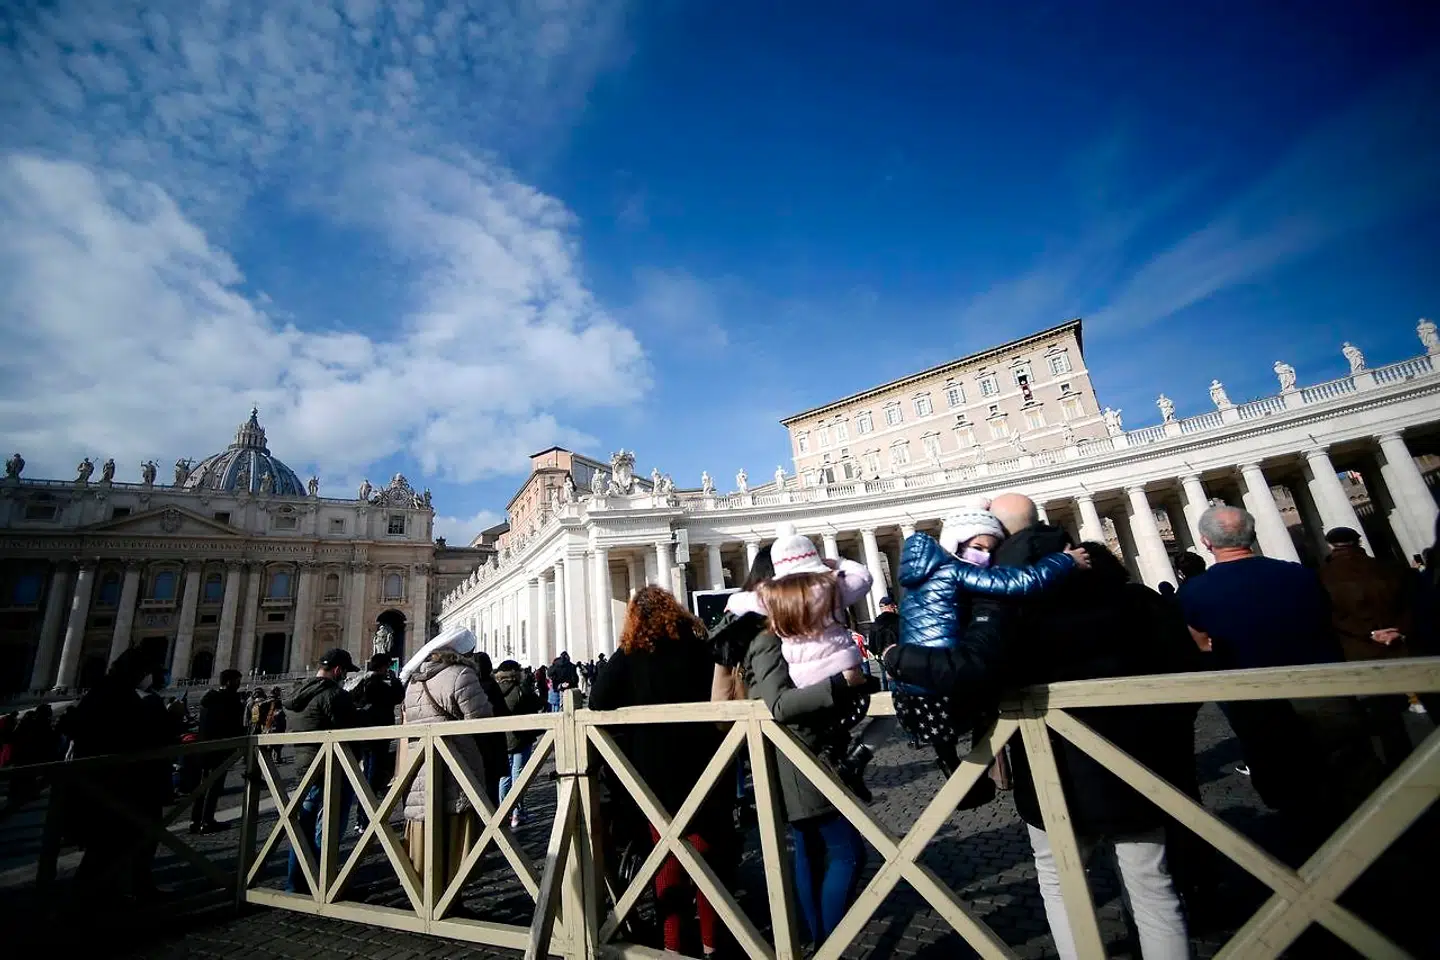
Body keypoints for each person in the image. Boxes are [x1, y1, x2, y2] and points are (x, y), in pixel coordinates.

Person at [1178, 505, 1380, 854]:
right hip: (1324, 690)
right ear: (1252, 535)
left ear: (1207, 542)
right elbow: (1324, 618)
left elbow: (1202, 644)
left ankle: (1319, 868)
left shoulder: (1194, 592)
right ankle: (1379, 853)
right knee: (1352, 780)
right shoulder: (1299, 575)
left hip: (1259, 704)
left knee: (1292, 796)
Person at [887, 497, 1086, 781]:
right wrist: (1065, 560)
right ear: (956, 544)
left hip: (911, 687)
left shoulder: (916, 581)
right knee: (987, 703)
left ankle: (957, 768)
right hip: (943, 683)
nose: (985, 557)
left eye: (991, 551)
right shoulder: (956, 571)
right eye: (979, 548)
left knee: (957, 735)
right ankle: (977, 776)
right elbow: (1021, 582)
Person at [589, 586, 735, 957]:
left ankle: (673, 947)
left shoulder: (631, 654)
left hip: (653, 770)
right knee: (706, 860)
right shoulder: (700, 647)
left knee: (665, 858)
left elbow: (597, 700)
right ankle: (712, 944)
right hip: (704, 761)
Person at [67, 648, 174, 905]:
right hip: (119, 783)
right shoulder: (117, 694)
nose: (151, 677)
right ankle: (93, 902)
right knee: (115, 843)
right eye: (148, 671)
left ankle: (107, 895)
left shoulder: (106, 691)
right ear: (137, 671)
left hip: (112, 782)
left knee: (112, 844)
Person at [400, 627, 493, 891]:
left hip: (419, 766)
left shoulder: (414, 682)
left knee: (425, 823)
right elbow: (481, 720)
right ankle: (450, 896)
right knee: (454, 831)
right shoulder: (461, 675)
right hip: (455, 765)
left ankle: (425, 894)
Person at [1318, 526, 1417, 770]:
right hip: (1399, 647)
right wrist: (1397, 630)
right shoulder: (1388, 568)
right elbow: (1413, 605)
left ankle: (1392, 771)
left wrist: (1369, 633)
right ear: (1358, 541)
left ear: (1330, 545)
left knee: (1378, 718)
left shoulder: (1323, 576)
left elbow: (1329, 617)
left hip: (1358, 651)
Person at [284, 648, 359, 893]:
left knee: (302, 828)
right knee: (329, 827)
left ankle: (295, 884)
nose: (345, 677)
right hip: (331, 767)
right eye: (345, 672)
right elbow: (351, 730)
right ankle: (324, 884)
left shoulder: (297, 696)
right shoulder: (334, 695)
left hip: (304, 767)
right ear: (337, 670)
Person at [189, 668, 245, 834]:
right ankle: (207, 821)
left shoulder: (208, 698)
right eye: (237, 681)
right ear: (228, 681)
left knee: (202, 785)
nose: (239, 684)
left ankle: (195, 820)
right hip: (221, 749)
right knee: (214, 787)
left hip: (204, 748)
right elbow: (234, 726)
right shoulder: (230, 700)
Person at [353, 653, 404, 826]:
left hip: (363, 735)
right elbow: (397, 697)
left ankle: (361, 817)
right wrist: (395, 680)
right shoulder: (378, 685)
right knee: (374, 776)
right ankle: (367, 818)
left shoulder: (361, 683)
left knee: (367, 773)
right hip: (378, 735)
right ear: (383, 667)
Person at [494, 658, 542, 828]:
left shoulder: (495, 689)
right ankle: (517, 813)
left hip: (502, 739)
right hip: (521, 738)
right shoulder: (521, 689)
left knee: (504, 777)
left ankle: (503, 812)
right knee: (518, 776)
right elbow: (537, 703)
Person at [472, 652, 511, 806]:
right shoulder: (492, 686)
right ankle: (493, 817)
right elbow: (503, 712)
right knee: (491, 789)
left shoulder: (471, 685)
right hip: (493, 743)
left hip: (473, 744)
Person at [869, 597, 900, 691]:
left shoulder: (876, 623)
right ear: (891, 606)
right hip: (899, 653)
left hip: (883, 656)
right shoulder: (898, 620)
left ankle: (892, 694)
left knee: (887, 677)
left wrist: (876, 653)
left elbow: (871, 644)